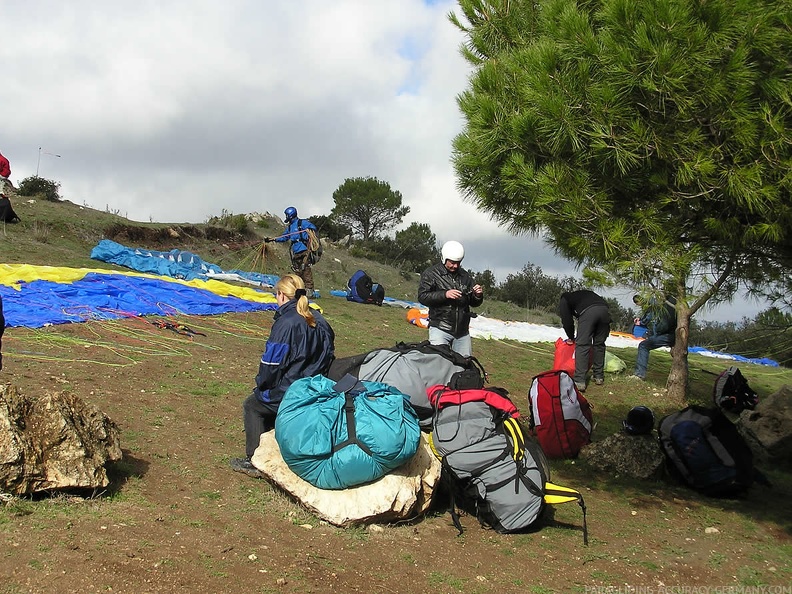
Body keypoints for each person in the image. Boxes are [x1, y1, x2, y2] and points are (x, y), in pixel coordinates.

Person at [230, 273, 335, 476]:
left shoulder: (286, 323)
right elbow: (328, 354)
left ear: (281, 295)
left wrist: (262, 385)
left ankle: (255, 461)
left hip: (290, 391)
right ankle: (276, 448)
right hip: (315, 387)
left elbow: (271, 364)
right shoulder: (320, 320)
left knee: (253, 404)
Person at [417, 240, 483, 357]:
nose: (455, 266)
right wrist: (444, 294)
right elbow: (423, 296)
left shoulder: (465, 276)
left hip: (462, 332)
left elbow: (473, 302)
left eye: (458, 262)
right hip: (440, 328)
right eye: (452, 262)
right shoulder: (431, 274)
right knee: (438, 362)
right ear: (444, 258)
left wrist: (477, 295)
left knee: (464, 366)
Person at [559, 289, 611, 392]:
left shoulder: (564, 299)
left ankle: (579, 381)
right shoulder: (582, 294)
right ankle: (598, 376)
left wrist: (571, 337)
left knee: (582, 345)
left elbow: (567, 321)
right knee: (599, 344)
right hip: (605, 310)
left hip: (589, 312)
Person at [266, 207, 320, 298]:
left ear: (290, 215)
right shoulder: (290, 227)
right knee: (298, 271)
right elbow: (284, 237)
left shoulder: (302, 223)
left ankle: (309, 290)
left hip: (304, 250)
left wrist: (308, 231)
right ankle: (300, 289)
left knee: (305, 269)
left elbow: (313, 227)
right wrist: (273, 239)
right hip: (296, 252)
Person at [630, 294, 677, 381]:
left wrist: (641, 322)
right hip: (676, 334)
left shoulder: (660, 304)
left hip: (667, 335)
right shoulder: (675, 303)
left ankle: (639, 374)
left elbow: (661, 323)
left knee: (643, 346)